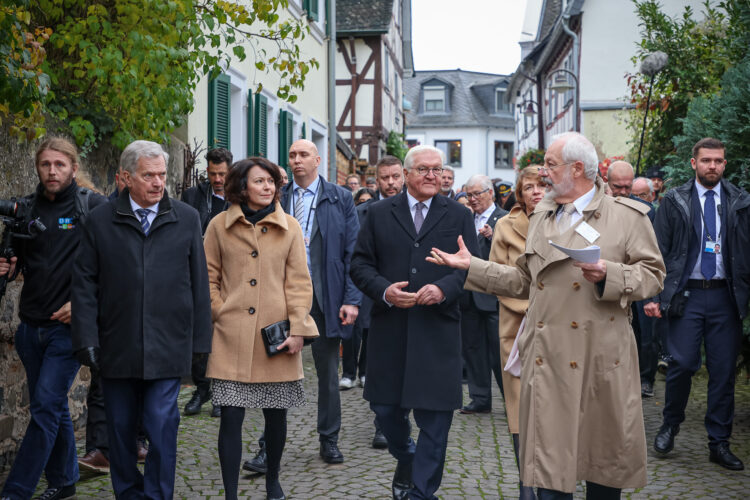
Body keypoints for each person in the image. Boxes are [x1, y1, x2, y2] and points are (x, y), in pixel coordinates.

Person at [428, 132, 665, 499]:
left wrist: (610, 275)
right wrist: (470, 266)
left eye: (550, 165)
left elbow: (653, 276)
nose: (543, 175)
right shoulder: (542, 214)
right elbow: (524, 280)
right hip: (547, 360)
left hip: (600, 358)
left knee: (602, 471)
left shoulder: (626, 216)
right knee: (549, 475)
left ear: (577, 168)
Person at [71, 140, 212, 499]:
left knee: (162, 423)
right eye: (148, 175)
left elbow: (199, 286)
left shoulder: (187, 219)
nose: (157, 182)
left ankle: (157, 495)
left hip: (169, 346)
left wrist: (200, 345)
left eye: (162, 174)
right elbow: (84, 285)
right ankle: (129, 494)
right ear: (125, 178)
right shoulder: (99, 221)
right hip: (117, 346)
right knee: (118, 430)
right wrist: (86, 338)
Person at [350, 145, 479, 500]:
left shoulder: (458, 215)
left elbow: (471, 269)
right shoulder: (377, 214)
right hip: (391, 331)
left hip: (438, 332)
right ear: (406, 174)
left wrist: (442, 289)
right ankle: (406, 457)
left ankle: (421, 493)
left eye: (437, 169)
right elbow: (360, 266)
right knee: (387, 413)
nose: (432, 175)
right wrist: (385, 291)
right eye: (423, 169)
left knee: (436, 423)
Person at [203, 157, 318, 500]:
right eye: (260, 182)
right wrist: (219, 311)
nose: (268, 187)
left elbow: (299, 283)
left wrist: (298, 328)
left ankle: (273, 481)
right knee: (231, 417)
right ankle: (231, 494)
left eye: (271, 182)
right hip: (231, 335)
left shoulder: (291, 227)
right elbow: (208, 277)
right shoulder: (218, 226)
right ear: (241, 186)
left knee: (276, 418)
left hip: (276, 336)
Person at [245, 139, 361, 472]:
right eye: (292, 155)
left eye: (303, 155)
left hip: (326, 299)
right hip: (280, 300)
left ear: (318, 160)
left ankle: (329, 439)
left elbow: (354, 254)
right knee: (275, 375)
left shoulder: (339, 199)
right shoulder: (277, 197)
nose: (296, 160)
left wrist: (352, 299)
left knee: (327, 375)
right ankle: (268, 447)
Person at [0, 138, 106, 500]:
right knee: (54, 404)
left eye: (60, 164)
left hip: (67, 330)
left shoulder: (93, 208)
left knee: (44, 407)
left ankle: (16, 491)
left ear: (74, 168)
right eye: (45, 164)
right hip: (29, 329)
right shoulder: (25, 210)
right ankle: (64, 480)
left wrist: (83, 302)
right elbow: (18, 265)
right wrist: (8, 267)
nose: (52, 171)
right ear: (37, 168)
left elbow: (119, 266)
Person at [646, 137, 750, 471]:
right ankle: (670, 423)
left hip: (725, 296)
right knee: (683, 363)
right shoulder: (674, 200)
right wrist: (653, 295)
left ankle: (718, 443)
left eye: (718, 161)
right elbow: (657, 252)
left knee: (722, 372)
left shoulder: (739, 201)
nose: (712, 166)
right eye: (706, 160)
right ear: (694, 163)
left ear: (724, 164)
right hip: (686, 295)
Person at [489, 165, 546, 499]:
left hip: (559, 325)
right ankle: (527, 483)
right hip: (517, 324)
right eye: (528, 187)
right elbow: (496, 275)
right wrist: (531, 307)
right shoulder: (505, 227)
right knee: (519, 408)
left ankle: (551, 481)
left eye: (541, 186)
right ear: (520, 194)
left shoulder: (567, 222)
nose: (535, 192)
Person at [180, 148, 232, 418]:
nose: (217, 179)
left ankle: (222, 392)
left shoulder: (238, 198)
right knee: (197, 335)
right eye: (212, 173)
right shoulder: (192, 196)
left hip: (228, 277)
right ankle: (202, 389)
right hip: (195, 273)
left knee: (222, 336)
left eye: (222, 173)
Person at [458, 175, 507, 414]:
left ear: (491, 193)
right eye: (469, 194)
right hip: (469, 295)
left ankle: (511, 399)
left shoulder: (504, 220)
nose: (473, 199)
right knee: (473, 349)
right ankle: (479, 398)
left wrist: (493, 235)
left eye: (477, 194)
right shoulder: (465, 218)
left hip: (494, 296)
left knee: (500, 352)